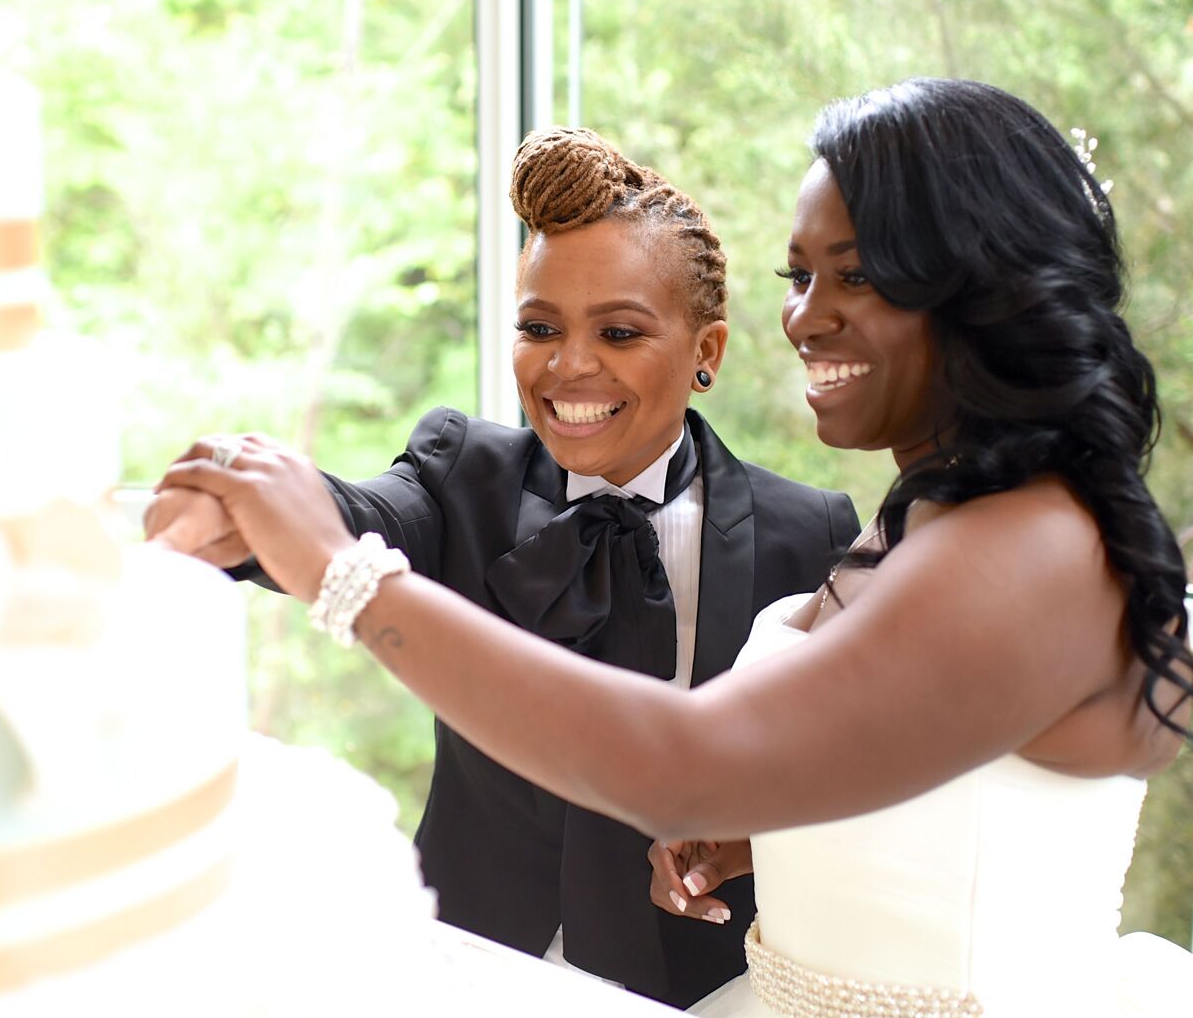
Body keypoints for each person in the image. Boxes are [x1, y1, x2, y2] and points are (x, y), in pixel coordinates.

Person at [155, 78, 1193, 1016]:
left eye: (856, 277)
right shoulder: (941, 515)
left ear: (981, 285)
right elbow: (945, 754)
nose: (806, 317)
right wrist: (788, 842)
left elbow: (687, 762)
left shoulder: (1026, 548)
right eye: (798, 275)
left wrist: (340, 570)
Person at [146, 127, 861, 1007]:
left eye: (621, 330)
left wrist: (746, 836)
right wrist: (238, 513)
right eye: (539, 327)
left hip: (693, 990)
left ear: (706, 352)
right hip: (468, 968)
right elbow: (359, 515)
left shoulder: (809, 530)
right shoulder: (460, 473)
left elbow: (828, 774)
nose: (568, 364)